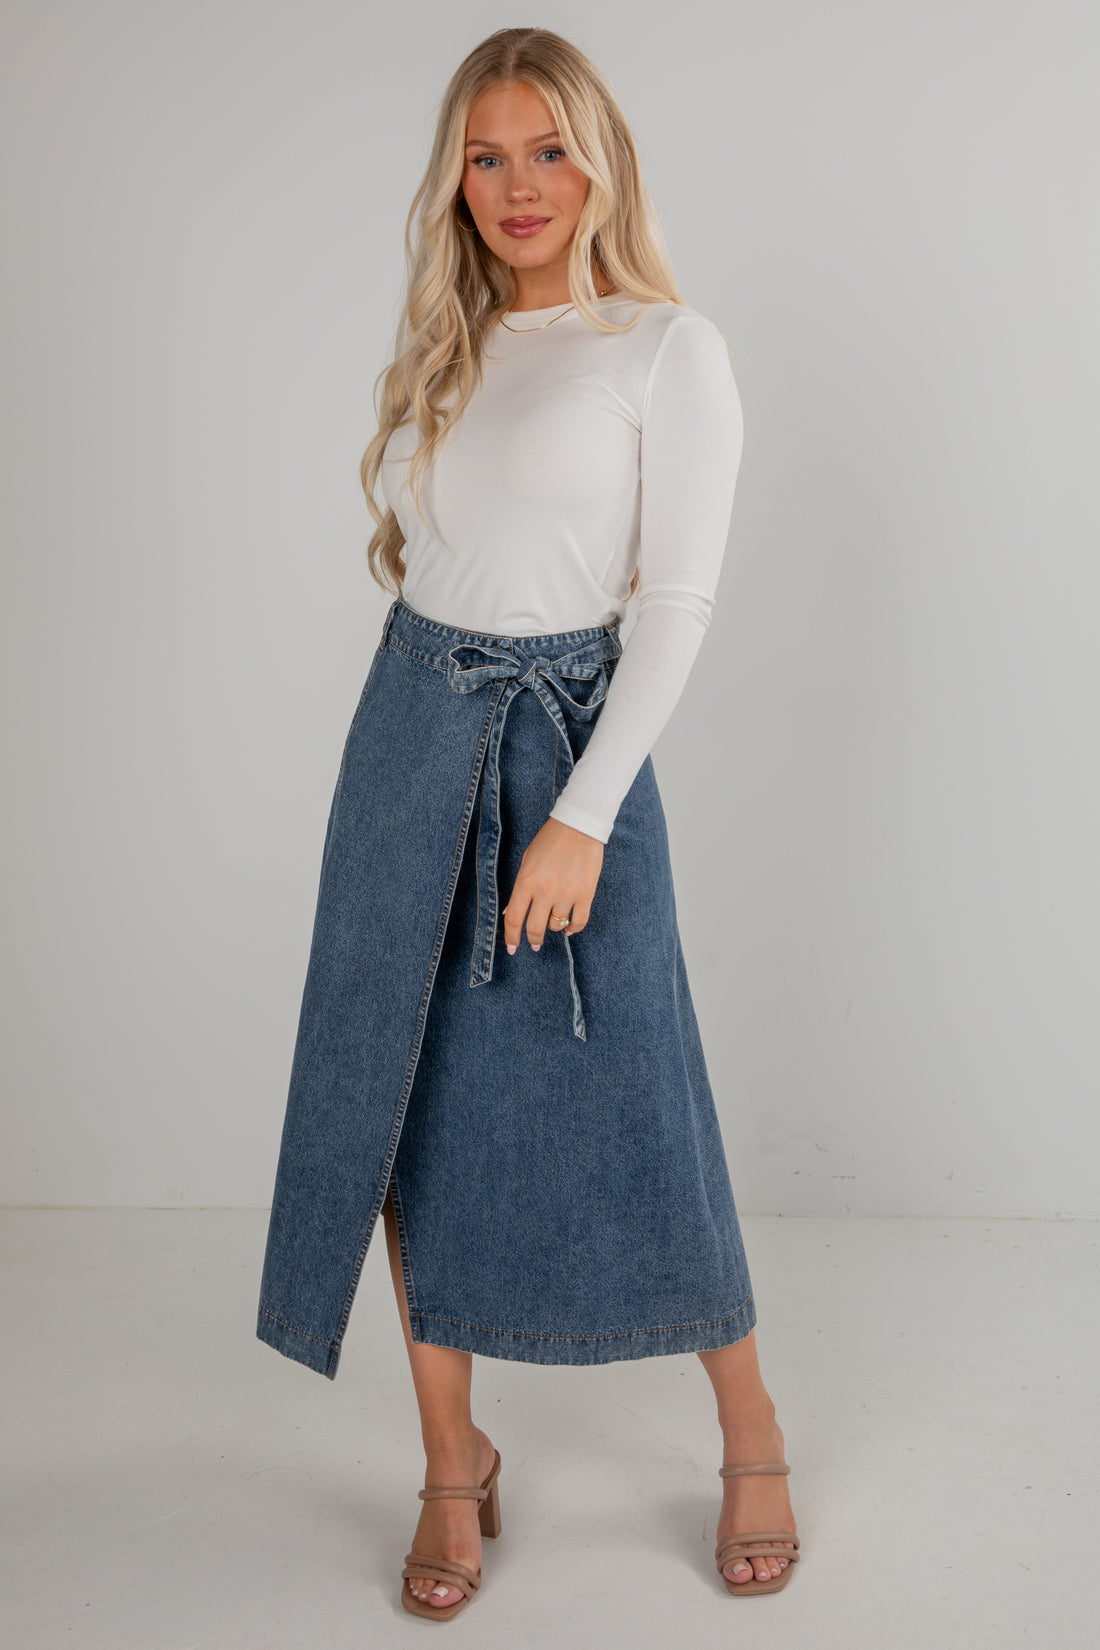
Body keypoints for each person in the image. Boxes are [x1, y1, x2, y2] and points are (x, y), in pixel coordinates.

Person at [256, 25, 800, 1620]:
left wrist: (580, 817)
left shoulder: (664, 347)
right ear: (457, 175)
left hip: (568, 739)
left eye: (547, 151)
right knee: (399, 1111)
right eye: (488, 156)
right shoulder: (453, 343)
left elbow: (680, 603)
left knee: (643, 1092)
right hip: (407, 731)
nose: (519, 186)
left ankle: (750, 1426)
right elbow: (439, 569)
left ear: (600, 160)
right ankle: (449, 1459)